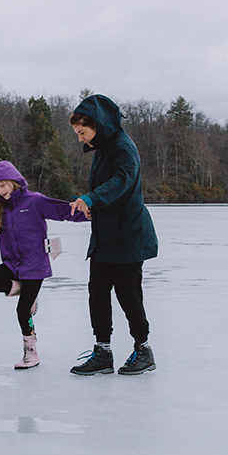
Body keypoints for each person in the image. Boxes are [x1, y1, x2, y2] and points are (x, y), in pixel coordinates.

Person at [0, 161, 88, 370]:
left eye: (2, 185)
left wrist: (92, 214)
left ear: (13, 180)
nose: (0, 191)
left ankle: (31, 352)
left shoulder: (35, 201)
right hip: (13, 264)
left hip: (35, 266)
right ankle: (23, 290)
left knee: (22, 310)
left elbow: (63, 211)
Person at [67, 94, 159, 376]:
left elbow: (122, 182)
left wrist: (92, 199)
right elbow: (108, 189)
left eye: (82, 132)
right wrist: (94, 208)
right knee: (97, 293)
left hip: (128, 235)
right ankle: (103, 351)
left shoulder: (123, 147)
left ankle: (143, 349)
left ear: (97, 125)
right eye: (78, 134)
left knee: (129, 295)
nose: (81, 139)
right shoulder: (103, 148)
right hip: (105, 235)